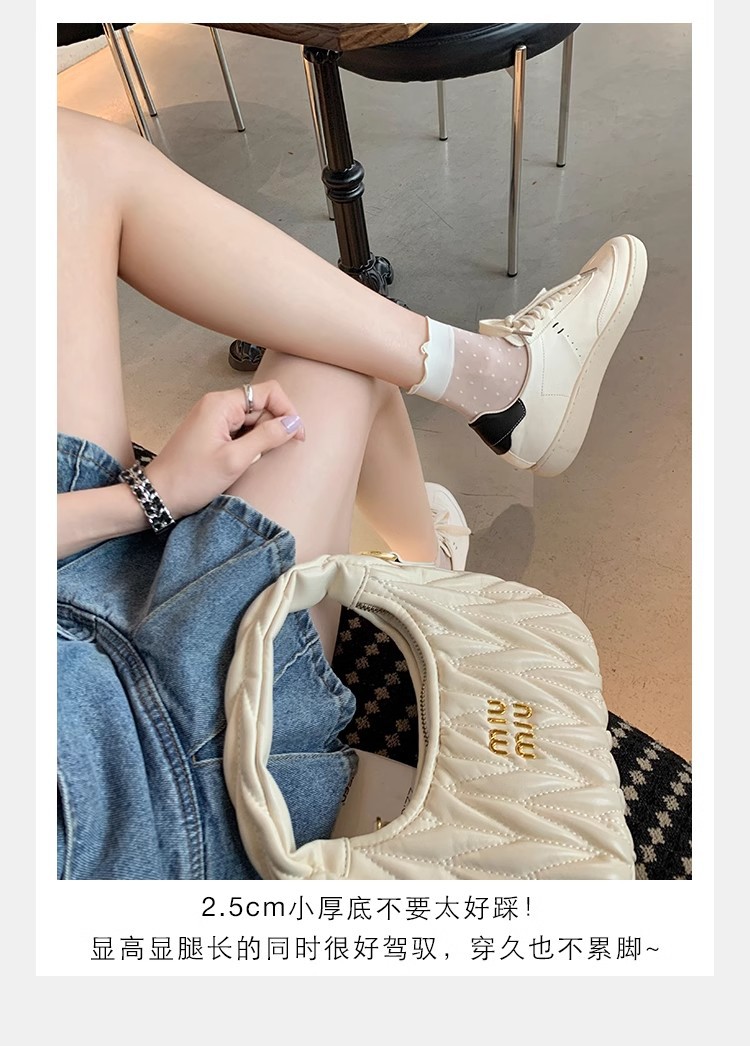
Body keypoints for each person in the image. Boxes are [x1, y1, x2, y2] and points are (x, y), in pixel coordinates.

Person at [56, 106, 647, 880]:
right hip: (144, 755)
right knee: (339, 357)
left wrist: (150, 495)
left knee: (60, 155)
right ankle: (493, 411)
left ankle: (468, 478)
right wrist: (148, 499)